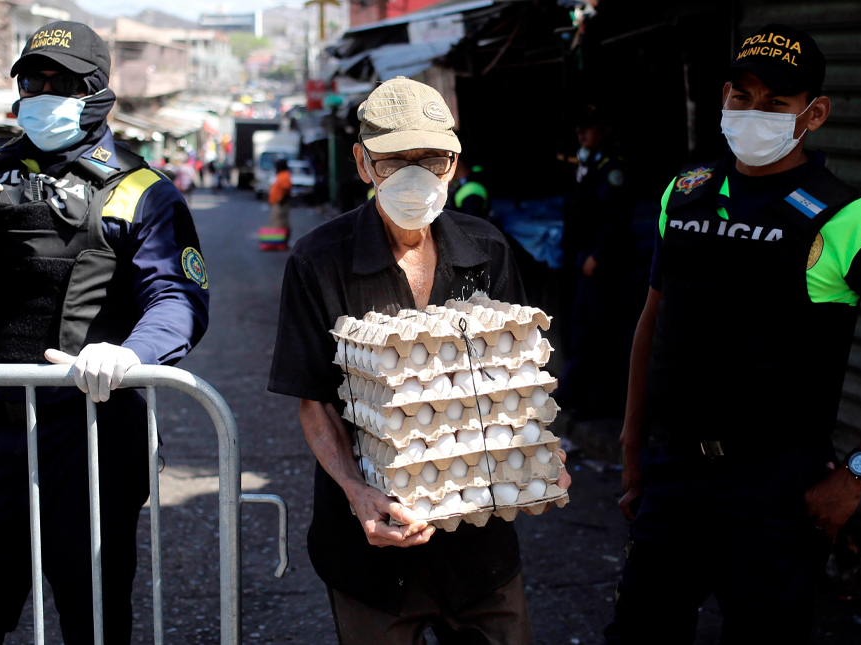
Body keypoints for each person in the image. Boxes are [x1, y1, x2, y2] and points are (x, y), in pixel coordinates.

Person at [606, 24, 861, 643]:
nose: (753, 113)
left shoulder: (853, 220)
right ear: (723, 98)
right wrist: (633, 448)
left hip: (774, 489)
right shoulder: (684, 195)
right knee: (639, 631)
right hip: (674, 469)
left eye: (776, 102)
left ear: (813, 114)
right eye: (741, 96)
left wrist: (854, 476)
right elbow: (652, 323)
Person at [0, 21, 210, 643]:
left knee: (92, 620)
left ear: (97, 93)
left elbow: (178, 298)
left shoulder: (143, 191)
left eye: (61, 83)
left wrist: (130, 353)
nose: (43, 94)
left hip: (90, 431)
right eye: (32, 82)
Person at [267, 76, 571, 645]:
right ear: (363, 163)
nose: (414, 177)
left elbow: (517, 379)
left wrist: (533, 459)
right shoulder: (318, 261)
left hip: (480, 552)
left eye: (430, 159)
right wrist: (357, 491)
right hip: (371, 551)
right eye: (393, 161)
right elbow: (315, 402)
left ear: (453, 163)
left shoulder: (487, 249)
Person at [556, 104, 634, 419]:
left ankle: (604, 399)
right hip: (584, 260)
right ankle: (574, 391)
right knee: (582, 329)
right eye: (579, 129)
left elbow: (616, 218)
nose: (581, 134)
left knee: (605, 334)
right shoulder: (587, 164)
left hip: (603, 263)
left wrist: (598, 255)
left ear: (605, 131)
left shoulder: (612, 167)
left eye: (588, 128)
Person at [267, 157, 293, 241]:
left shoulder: (285, 175)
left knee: (281, 223)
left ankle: (281, 241)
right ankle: (281, 241)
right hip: (277, 203)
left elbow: (286, 190)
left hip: (281, 204)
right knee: (279, 222)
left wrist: (281, 201)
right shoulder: (280, 175)